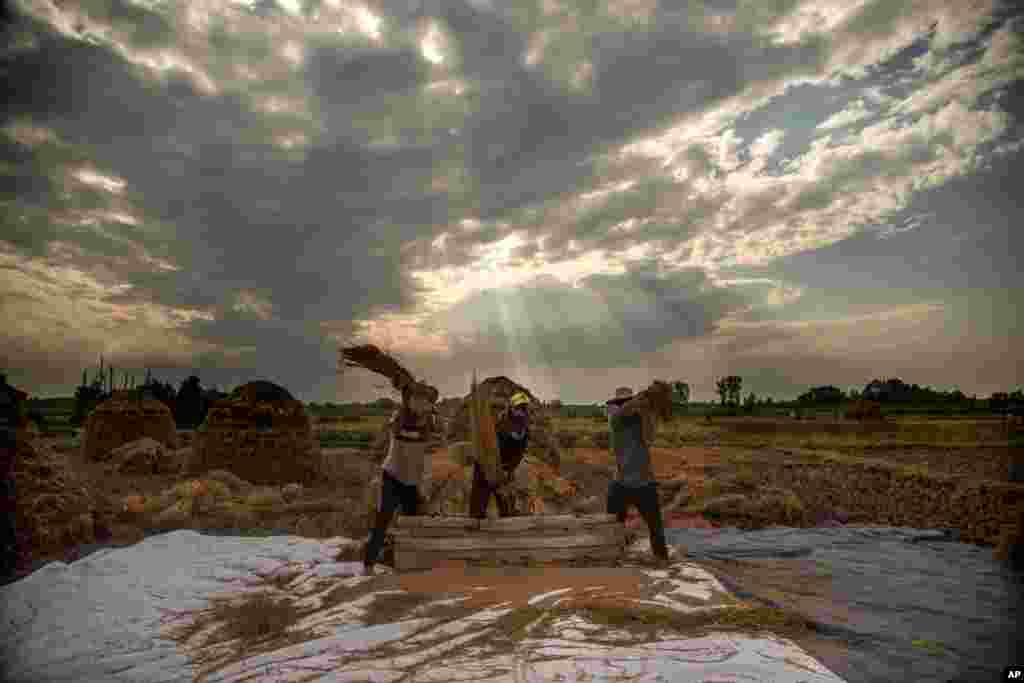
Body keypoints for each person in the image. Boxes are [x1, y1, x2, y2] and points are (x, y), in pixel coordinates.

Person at [362, 379, 440, 574]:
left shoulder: (431, 421)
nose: (422, 404)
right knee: (384, 517)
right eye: (418, 400)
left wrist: (430, 422)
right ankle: (368, 565)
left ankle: (411, 561)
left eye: (427, 401)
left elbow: (435, 437)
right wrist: (418, 424)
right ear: (411, 401)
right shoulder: (400, 417)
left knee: (414, 519)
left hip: (411, 482)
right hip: (393, 476)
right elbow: (398, 431)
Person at [605, 382, 673, 564]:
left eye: (625, 402)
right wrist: (644, 395)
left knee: (655, 526)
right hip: (622, 481)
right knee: (613, 524)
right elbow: (622, 411)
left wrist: (652, 404)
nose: (622, 405)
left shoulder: (642, 419)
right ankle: (613, 556)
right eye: (620, 403)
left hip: (643, 480)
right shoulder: (615, 418)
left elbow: (650, 434)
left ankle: (661, 558)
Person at [468, 391, 532, 518]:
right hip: (486, 464)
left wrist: (509, 469)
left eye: (524, 408)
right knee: (480, 500)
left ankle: (506, 527)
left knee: (506, 503)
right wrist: (493, 465)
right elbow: (489, 445)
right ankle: (475, 525)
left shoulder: (524, 428)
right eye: (518, 407)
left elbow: (519, 452)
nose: (521, 411)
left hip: (505, 467)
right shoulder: (500, 423)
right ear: (511, 407)